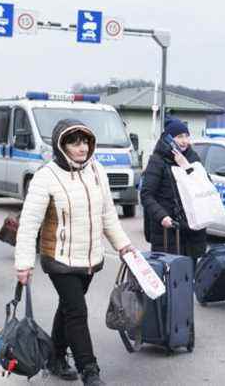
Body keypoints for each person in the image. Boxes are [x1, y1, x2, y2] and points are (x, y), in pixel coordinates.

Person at [14, 119, 134, 386]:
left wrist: (123, 245)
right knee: (77, 312)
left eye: (84, 141)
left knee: (68, 309)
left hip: (90, 258)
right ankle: (90, 371)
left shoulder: (96, 170)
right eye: (73, 142)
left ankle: (55, 358)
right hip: (58, 258)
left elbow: (107, 215)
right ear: (61, 145)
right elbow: (29, 223)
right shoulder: (47, 176)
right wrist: (24, 263)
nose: (81, 148)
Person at [140, 117, 207, 264]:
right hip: (168, 231)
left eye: (186, 136)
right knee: (170, 277)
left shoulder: (192, 157)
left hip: (193, 230)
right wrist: (162, 216)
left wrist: (187, 167)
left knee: (191, 276)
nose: (184, 141)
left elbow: (204, 186)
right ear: (169, 139)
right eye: (179, 137)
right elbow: (146, 194)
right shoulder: (157, 161)